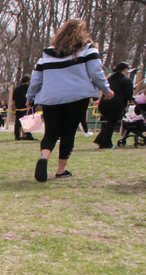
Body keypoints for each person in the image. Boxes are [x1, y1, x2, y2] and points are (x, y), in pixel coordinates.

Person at [28, 19, 114, 182]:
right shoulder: (88, 50)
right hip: (76, 97)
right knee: (68, 132)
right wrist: (106, 90)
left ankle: (44, 157)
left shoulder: (47, 54)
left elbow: (36, 79)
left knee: (51, 132)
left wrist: (30, 97)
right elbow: (96, 73)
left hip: (50, 97)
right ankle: (60, 170)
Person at [94, 62, 134, 149]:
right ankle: (106, 144)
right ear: (124, 70)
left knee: (109, 123)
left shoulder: (109, 79)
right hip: (116, 105)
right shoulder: (127, 80)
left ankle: (100, 140)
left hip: (104, 103)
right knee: (111, 123)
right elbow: (129, 95)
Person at [12, 75, 34, 140]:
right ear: (28, 81)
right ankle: (28, 135)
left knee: (18, 121)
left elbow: (13, 98)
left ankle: (17, 135)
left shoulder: (17, 89)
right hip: (26, 106)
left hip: (18, 107)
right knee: (26, 121)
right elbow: (30, 96)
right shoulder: (28, 88)